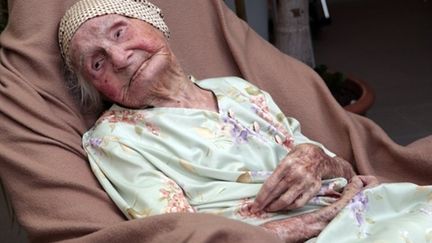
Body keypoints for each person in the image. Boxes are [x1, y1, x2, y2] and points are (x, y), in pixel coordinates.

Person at [58, 1, 432, 242]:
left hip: (362, 208)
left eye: (120, 33)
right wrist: (328, 217)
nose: (120, 57)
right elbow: (186, 235)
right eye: (97, 63)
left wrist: (319, 160)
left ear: (153, 22)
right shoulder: (114, 139)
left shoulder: (238, 91)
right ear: (101, 89)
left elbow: (345, 174)